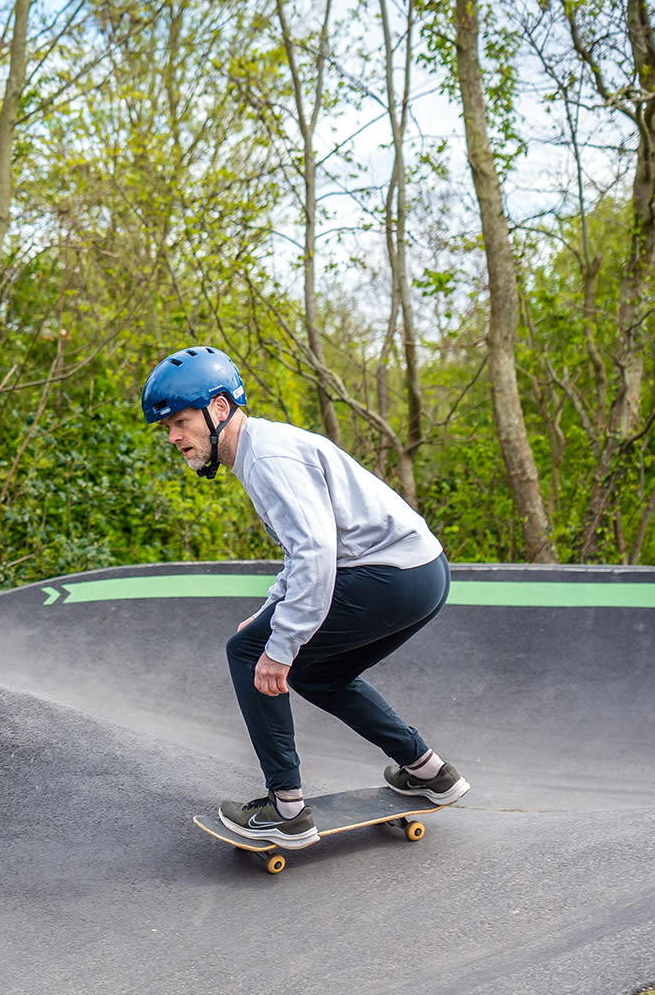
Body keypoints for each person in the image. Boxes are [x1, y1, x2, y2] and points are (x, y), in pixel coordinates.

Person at [142, 345, 467, 848]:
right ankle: (429, 770)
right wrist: (268, 614)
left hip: (390, 574)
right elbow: (304, 554)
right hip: (420, 573)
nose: (174, 437)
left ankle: (287, 811)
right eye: (166, 428)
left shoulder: (267, 459)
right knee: (317, 672)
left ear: (221, 408)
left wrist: (279, 644)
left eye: (181, 422)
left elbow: (316, 554)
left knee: (250, 653)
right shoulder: (261, 450)